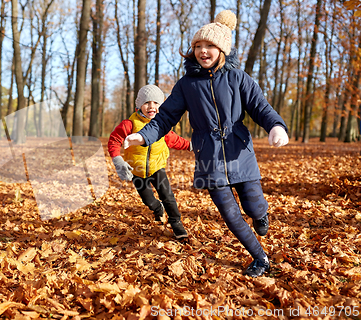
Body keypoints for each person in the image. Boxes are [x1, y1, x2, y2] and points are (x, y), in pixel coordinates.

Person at [123, 11, 289, 277]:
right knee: (231, 215)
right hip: (208, 157)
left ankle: (260, 214)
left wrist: (276, 126)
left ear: (222, 48)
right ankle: (260, 258)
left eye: (209, 46)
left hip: (239, 152)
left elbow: (260, 107)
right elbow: (165, 117)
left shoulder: (238, 78)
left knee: (253, 206)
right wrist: (144, 135)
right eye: (198, 46)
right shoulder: (187, 85)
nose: (203, 51)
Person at [108, 84, 191, 240]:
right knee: (148, 200)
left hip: (157, 167)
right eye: (146, 103)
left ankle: (176, 223)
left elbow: (175, 141)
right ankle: (157, 208)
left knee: (168, 196)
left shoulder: (162, 127)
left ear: (161, 106)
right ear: (139, 105)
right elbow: (114, 140)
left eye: (155, 103)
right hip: (137, 170)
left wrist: (191, 146)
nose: (151, 106)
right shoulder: (129, 124)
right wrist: (117, 159)